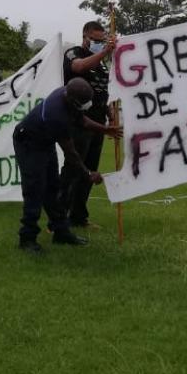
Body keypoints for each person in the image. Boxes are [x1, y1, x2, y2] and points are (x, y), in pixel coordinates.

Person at [14, 78, 121, 253]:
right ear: (72, 100)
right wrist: (88, 174)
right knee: (35, 189)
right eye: (84, 103)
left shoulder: (67, 95)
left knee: (53, 187)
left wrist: (105, 129)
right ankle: (27, 238)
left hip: (44, 142)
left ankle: (61, 232)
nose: (87, 106)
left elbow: (83, 121)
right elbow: (71, 154)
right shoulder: (57, 116)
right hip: (28, 144)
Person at [58, 20, 116, 230]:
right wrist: (105, 51)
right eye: (96, 40)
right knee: (74, 168)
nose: (99, 44)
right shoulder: (73, 54)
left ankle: (78, 216)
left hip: (98, 123)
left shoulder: (101, 64)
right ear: (85, 36)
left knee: (90, 171)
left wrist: (109, 113)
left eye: (102, 41)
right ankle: (59, 218)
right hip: (79, 122)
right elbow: (79, 67)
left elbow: (103, 90)